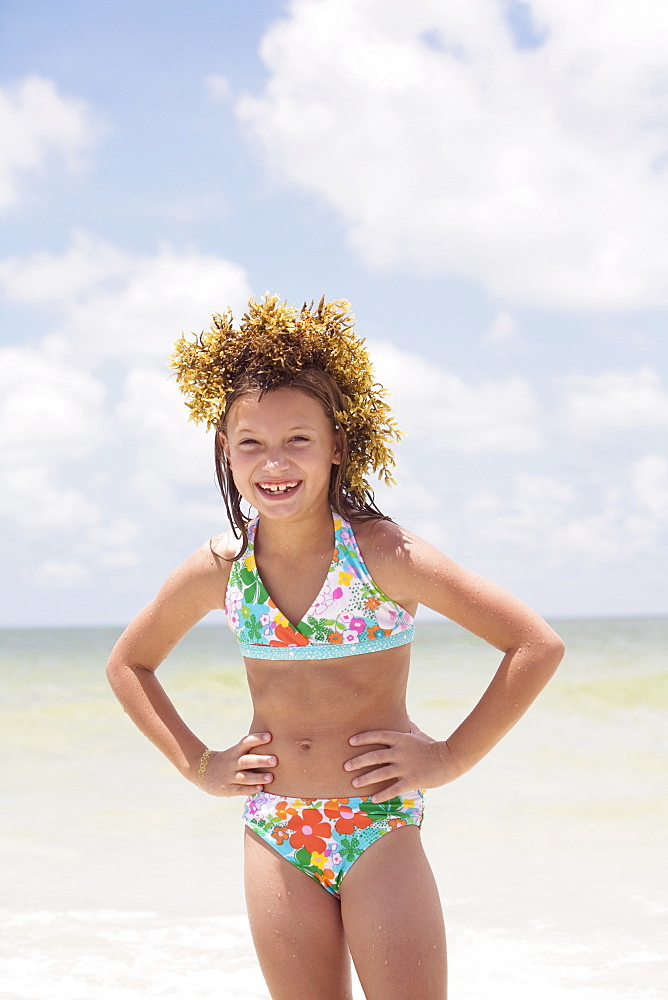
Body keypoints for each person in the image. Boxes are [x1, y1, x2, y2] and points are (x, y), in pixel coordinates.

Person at [106, 295, 565, 1000]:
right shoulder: (222, 568)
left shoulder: (384, 554)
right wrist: (200, 764)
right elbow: (128, 665)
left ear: (337, 447)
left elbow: (534, 645)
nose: (274, 462)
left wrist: (449, 757)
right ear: (225, 451)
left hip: (376, 824)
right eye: (250, 443)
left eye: (298, 440)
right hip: (275, 829)